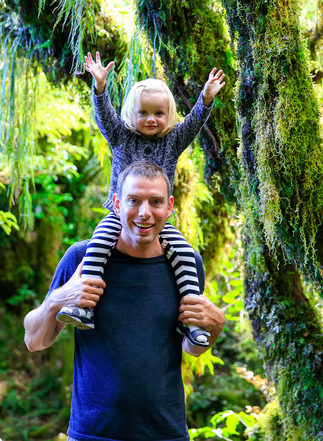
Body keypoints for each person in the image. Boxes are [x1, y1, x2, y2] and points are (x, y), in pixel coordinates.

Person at [24, 161, 226, 441]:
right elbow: (34, 341)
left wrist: (214, 327)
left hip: (166, 433)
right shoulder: (82, 258)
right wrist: (59, 299)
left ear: (168, 207)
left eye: (155, 202)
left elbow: (191, 349)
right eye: (134, 200)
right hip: (92, 434)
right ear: (117, 204)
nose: (145, 213)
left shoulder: (187, 264)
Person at [56, 51, 226, 347]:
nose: (151, 119)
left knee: (185, 254)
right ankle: (84, 308)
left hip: (158, 224)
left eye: (159, 114)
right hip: (118, 217)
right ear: (132, 115)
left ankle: (191, 322)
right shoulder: (122, 137)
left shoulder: (172, 142)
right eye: (144, 113)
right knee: (97, 246)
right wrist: (99, 87)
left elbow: (194, 123)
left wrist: (206, 98)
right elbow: (104, 117)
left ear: (168, 115)